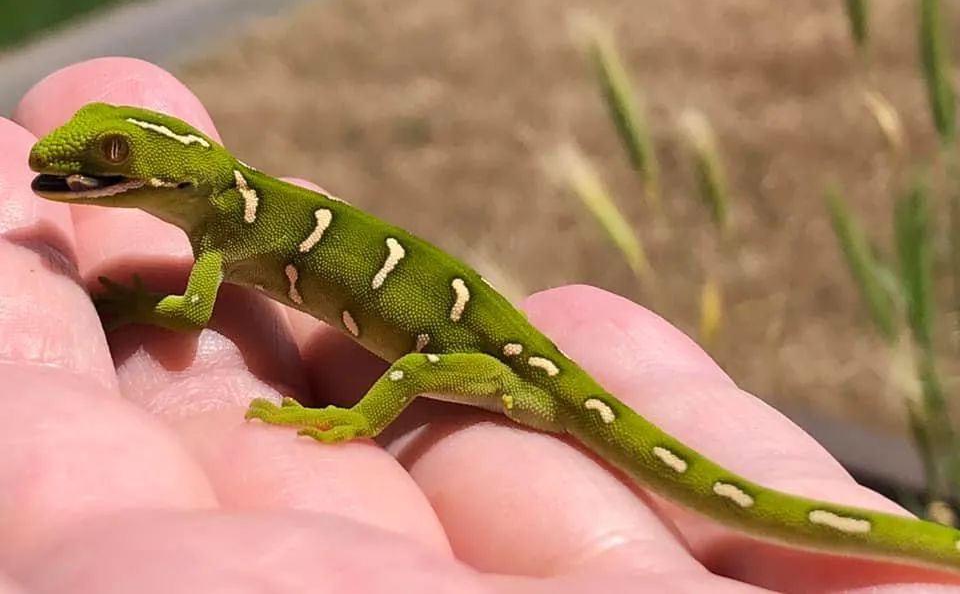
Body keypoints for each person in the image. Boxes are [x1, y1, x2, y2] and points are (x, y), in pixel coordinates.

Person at [0, 58, 953, 593]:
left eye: (112, 153)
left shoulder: (213, 244)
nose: (83, 163)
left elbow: (188, 319)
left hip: (492, 366)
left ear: (183, 176)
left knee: (414, 374)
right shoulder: (220, 217)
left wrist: (134, 304)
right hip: (488, 340)